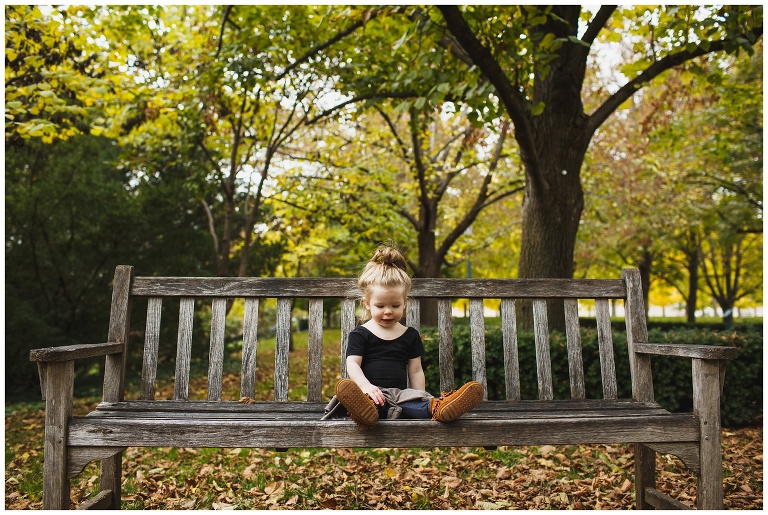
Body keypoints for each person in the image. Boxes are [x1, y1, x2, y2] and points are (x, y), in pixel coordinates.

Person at [326, 244, 484, 429]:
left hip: (399, 398)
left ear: (404, 304)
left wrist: (419, 396)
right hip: (370, 395)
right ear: (367, 304)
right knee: (363, 401)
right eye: (380, 306)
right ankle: (365, 413)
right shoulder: (361, 334)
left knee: (414, 404)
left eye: (395, 306)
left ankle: (440, 408)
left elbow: (416, 370)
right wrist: (365, 386)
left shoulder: (409, 335)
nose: (388, 312)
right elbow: (352, 363)